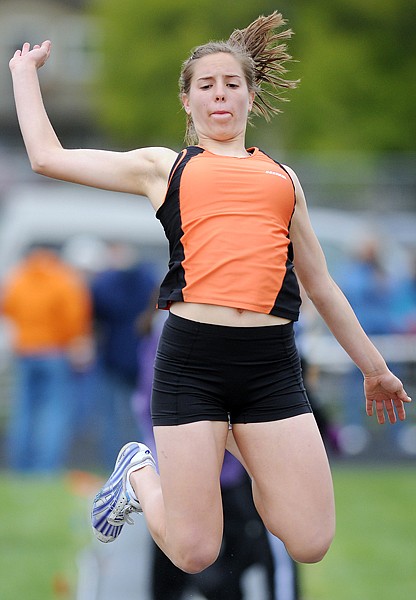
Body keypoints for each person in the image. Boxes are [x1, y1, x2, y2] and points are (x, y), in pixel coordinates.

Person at [9, 11, 411, 574]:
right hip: (192, 362)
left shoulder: (283, 181)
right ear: (187, 101)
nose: (219, 95)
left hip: (269, 367)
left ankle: (233, 439)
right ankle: (138, 474)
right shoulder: (163, 169)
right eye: (206, 85)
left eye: (231, 84)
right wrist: (23, 73)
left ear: (250, 97)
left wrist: (374, 368)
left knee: (310, 539)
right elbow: (47, 157)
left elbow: (320, 284)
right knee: (195, 551)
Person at [1, 245, 93, 472]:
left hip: (25, 351)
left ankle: (20, 465)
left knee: (23, 410)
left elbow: (8, 309)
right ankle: (46, 467)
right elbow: (75, 316)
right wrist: (72, 339)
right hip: (55, 351)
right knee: (54, 412)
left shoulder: (19, 278)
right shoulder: (63, 279)